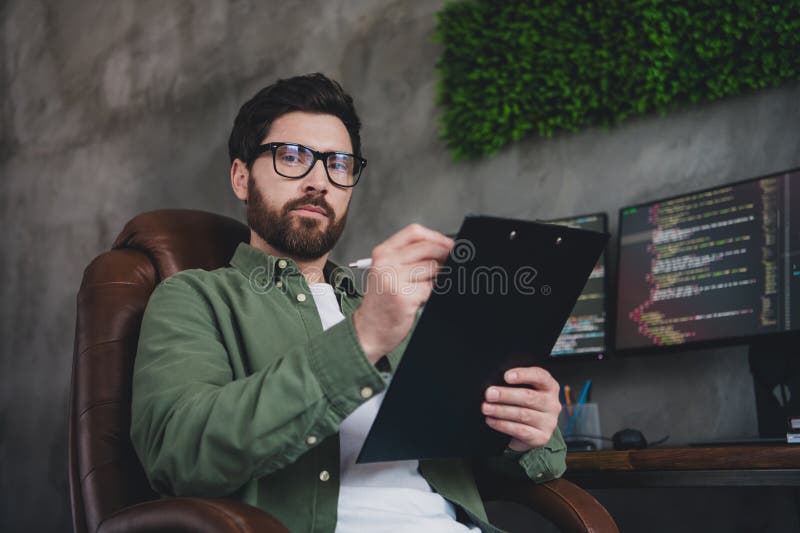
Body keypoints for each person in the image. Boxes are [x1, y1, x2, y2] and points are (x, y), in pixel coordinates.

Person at [130, 73, 566, 532]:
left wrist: (525, 433)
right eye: (292, 157)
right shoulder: (193, 298)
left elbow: (481, 462)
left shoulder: (399, 306)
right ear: (242, 178)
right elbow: (179, 454)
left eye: (338, 164)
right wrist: (362, 339)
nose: (319, 180)